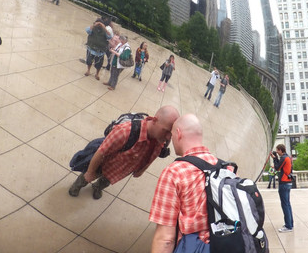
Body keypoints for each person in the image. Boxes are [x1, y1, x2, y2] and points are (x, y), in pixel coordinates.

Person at [69, 105, 180, 200]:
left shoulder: (161, 139)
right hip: (105, 165)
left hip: (121, 170)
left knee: (105, 182)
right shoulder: (125, 131)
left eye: (171, 133)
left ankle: (97, 187)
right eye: (166, 131)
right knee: (88, 177)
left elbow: (153, 155)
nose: (168, 137)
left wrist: (142, 170)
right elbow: (101, 151)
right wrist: (90, 172)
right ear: (154, 120)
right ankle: (78, 185)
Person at [149, 113, 217, 253]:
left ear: (178, 134)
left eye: (172, 134)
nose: (170, 139)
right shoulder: (227, 168)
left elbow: (165, 239)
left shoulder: (174, 172)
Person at [272, 144, 294, 233]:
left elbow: (277, 168)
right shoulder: (287, 157)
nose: (277, 152)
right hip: (288, 183)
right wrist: (276, 157)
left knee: (285, 205)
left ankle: (288, 226)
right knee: (287, 204)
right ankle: (290, 224)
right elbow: (280, 166)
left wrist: (274, 158)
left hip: (284, 183)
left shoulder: (284, 158)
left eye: (277, 151)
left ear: (281, 150)